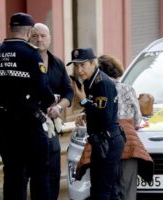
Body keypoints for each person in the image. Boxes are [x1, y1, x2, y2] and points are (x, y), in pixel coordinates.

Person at [0, 13, 55, 200]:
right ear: (30, 32)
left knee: (13, 172)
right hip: (28, 121)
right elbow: (44, 90)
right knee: (39, 172)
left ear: (10, 28)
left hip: (3, 123)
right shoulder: (31, 54)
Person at [69, 48, 125, 200]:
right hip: (103, 141)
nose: (79, 70)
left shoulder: (102, 83)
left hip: (108, 142)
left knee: (101, 192)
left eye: (83, 65)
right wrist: (85, 114)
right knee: (111, 191)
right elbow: (98, 110)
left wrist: (83, 101)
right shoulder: (90, 81)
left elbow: (105, 116)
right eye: (76, 66)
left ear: (93, 63)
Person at [98, 55, 153, 200]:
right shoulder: (127, 89)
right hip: (128, 142)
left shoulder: (97, 89)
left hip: (105, 143)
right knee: (128, 189)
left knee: (107, 188)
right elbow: (137, 118)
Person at [28, 23, 74, 200]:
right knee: (36, 173)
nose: (39, 39)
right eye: (35, 35)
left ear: (50, 38)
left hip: (52, 127)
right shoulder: (26, 61)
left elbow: (68, 92)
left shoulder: (58, 63)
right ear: (29, 37)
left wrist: (59, 107)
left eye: (43, 36)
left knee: (54, 171)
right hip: (31, 126)